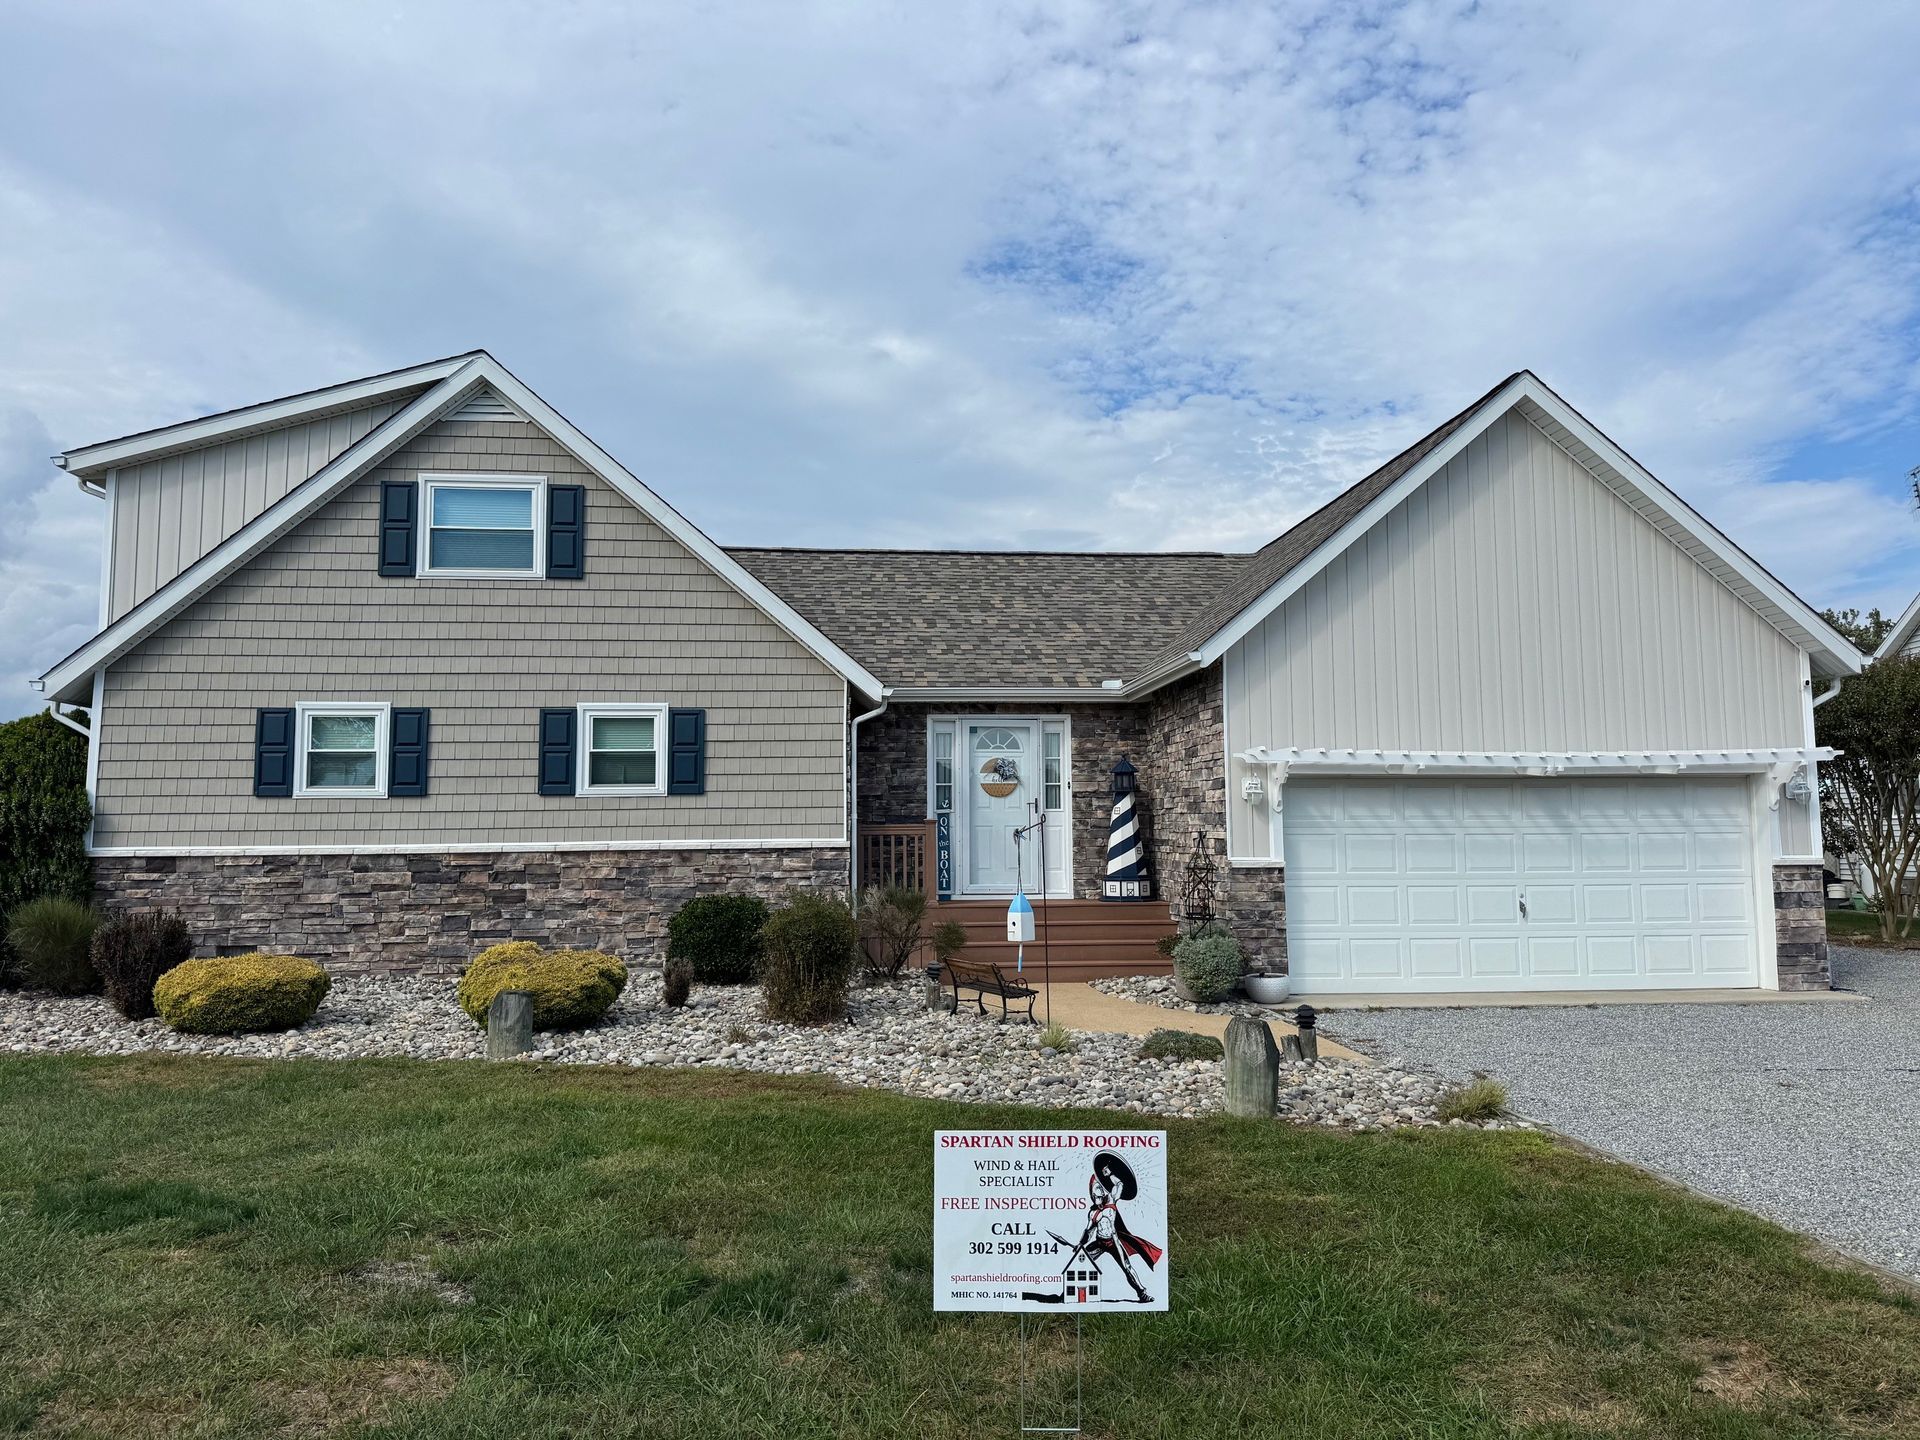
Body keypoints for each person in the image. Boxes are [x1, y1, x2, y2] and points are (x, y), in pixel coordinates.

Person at [1068, 1150, 1163, 1303]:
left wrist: (1108, 1174)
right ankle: (1069, 1292)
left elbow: (1119, 1184)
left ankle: (1142, 1294)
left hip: (1114, 1242)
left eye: (1099, 1194)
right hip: (1099, 1242)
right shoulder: (1092, 1213)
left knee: (1127, 1267)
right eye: (1094, 1195)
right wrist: (1080, 1244)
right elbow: (1088, 1231)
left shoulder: (1111, 1200)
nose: (1097, 1197)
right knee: (1079, 1261)